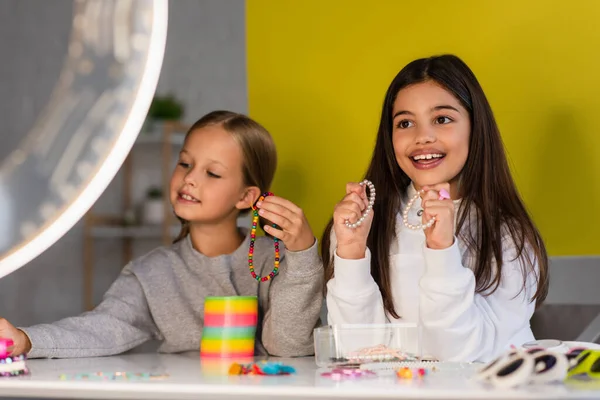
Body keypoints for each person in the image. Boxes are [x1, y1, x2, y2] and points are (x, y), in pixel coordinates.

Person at [1, 110, 323, 358]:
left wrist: (303, 255)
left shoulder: (275, 261)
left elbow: (288, 345)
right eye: (185, 164)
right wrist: (28, 340)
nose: (190, 179)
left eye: (212, 173)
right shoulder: (153, 273)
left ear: (245, 197)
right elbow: (104, 326)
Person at [322, 55, 548, 362]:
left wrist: (442, 251)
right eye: (405, 123)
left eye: (442, 119)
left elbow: (458, 358)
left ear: (475, 127)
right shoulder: (367, 222)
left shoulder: (508, 234)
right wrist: (350, 252)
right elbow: (360, 353)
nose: (422, 137)